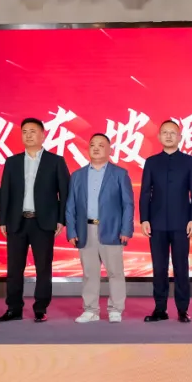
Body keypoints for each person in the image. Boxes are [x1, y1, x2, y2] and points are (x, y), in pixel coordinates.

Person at [0, 117, 71, 323]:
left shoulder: (55, 161)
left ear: (43, 135)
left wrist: (61, 219)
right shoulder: (12, 162)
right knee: (14, 268)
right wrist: (3, 219)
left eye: (32, 131)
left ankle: (40, 308)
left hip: (43, 222)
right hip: (17, 221)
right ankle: (13, 308)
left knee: (43, 268)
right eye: (24, 132)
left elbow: (65, 193)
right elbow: (5, 193)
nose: (28, 135)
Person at [66, 134, 134, 324]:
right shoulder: (77, 175)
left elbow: (128, 204)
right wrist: (71, 231)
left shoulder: (120, 174)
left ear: (109, 150)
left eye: (101, 145)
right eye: (92, 145)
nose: (96, 148)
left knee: (115, 272)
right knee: (89, 273)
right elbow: (70, 206)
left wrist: (126, 230)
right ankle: (91, 310)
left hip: (112, 230)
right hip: (85, 230)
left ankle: (116, 309)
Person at [140, 120, 192, 323]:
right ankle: (160, 309)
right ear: (159, 137)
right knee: (159, 268)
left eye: (172, 133)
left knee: (181, 267)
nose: (168, 136)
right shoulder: (151, 162)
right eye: (164, 132)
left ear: (180, 137)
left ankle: (183, 309)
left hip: (182, 222)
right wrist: (144, 219)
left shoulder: (189, 162)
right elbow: (145, 193)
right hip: (156, 223)